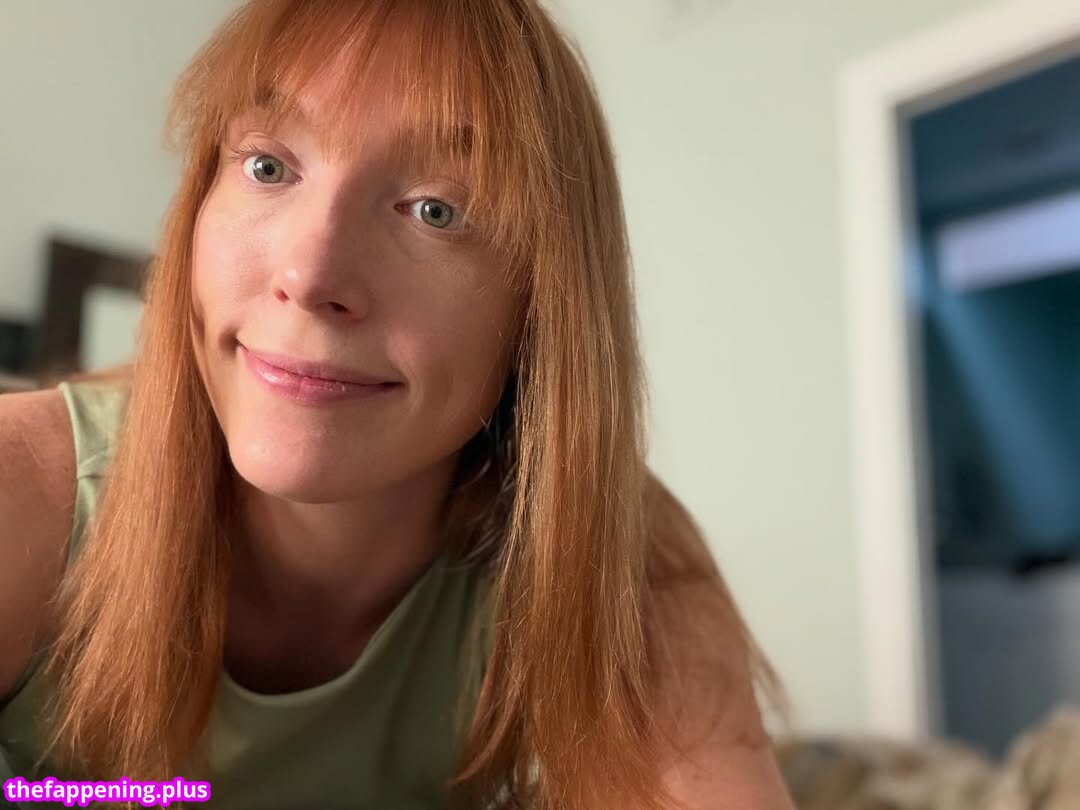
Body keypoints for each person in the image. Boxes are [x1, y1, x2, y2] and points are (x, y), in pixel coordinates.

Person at [0, 1, 795, 808]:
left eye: (436, 210)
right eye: (268, 166)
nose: (311, 275)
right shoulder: (21, 491)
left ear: (540, 304)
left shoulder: (615, 557)